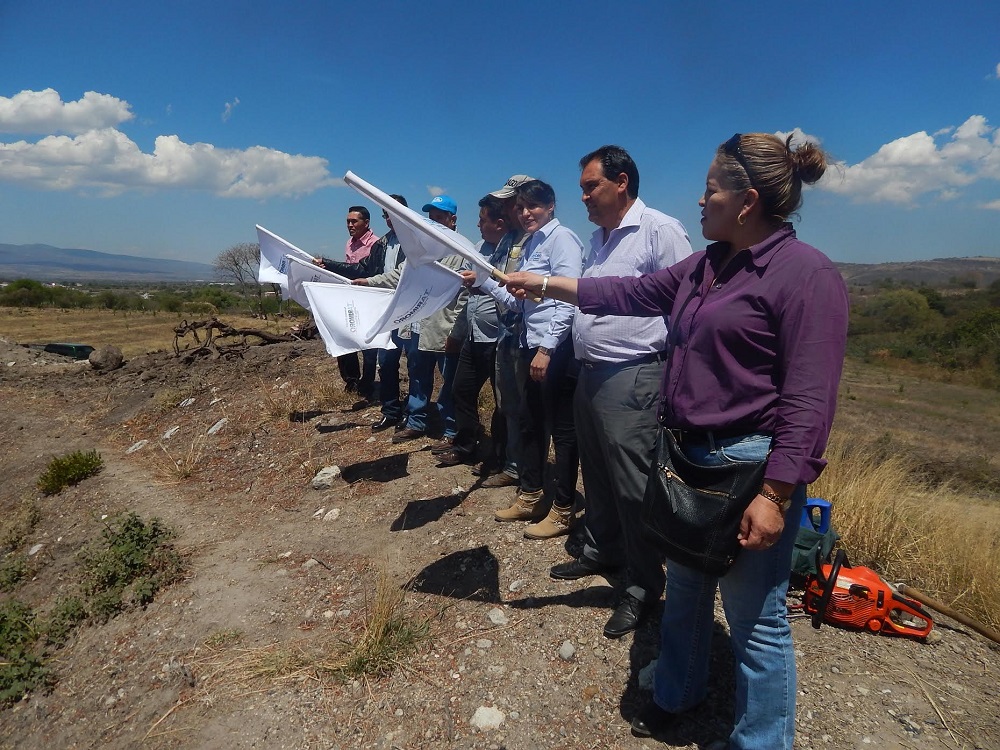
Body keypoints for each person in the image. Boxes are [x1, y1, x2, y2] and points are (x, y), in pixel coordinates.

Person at [502, 133, 849, 749]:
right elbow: (631, 293)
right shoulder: (709, 265)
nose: (700, 199)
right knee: (686, 587)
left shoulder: (807, 275)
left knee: (757, 619)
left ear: (747, 201)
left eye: (711, 189)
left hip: (749, 469)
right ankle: (677, 694)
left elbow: (808, 400)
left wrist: (775, 493)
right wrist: (545, 284)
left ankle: (761, 740)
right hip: (688, 456)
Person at [548, 145, 693, 639]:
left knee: (635, 485)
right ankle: (602, 550)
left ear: (622, 182)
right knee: (599, 473)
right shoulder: (597, 239)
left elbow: (684, 307)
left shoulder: (660, 231)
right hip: (591, 373)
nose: (584, 197)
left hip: (633, 376)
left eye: (591, 186)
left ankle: (642, 585)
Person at [477, 179, 583, 539]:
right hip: (529, 342)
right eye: (520, 208)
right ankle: (532, 494)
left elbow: (569, 298)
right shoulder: (532, 243)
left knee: (563, 432)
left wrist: (547, 349)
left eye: (532, 207)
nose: (525, 214)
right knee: (529, 423)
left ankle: (564, 509)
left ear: (550, 205)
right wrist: (485, 281)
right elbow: (521, 302)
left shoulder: (562, 239)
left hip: (553, 350)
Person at [357, 195, 467, 444]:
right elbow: (399, 275)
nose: (435, 222)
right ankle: (417, 420)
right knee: (417, 374)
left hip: (443, 327)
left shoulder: (462, 250)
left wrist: (456, 331)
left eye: (440, 217)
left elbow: (466, 296)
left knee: (449, 379)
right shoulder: (422, 249)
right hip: (418, 324)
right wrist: (369, 281)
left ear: (452, 219)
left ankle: (451, 429)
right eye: (431, 218)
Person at [317, 196, 409, 431]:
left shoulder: (415, 242)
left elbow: (398, 275)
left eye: (394, 213)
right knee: (386, 363)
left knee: (417, 365)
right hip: (384, 309)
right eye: (386, 214)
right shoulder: (383, 244)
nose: (390, 219)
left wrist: (369, 282)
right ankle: (390, 411)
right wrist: (327, 265)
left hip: (410, 310)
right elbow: (362, 268)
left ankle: (416, 414)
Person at [435, 194, 510, 467]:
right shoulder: (476, 248)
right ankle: (466, 444)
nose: (478, 225)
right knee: (461, 390)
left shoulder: (512, 251)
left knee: (502, 403)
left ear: (499, 223)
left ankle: (499, 457)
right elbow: (465, 287)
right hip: (474, 334)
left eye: (482, 220)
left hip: (499, 338)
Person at [474, 174, 534, 488]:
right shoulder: (510, 239)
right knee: (508, 405)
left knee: (527, 409)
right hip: (505, 334)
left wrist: (482, 282)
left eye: (511, 202)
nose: (508, 208)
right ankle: (513, 466)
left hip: (528, 337)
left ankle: (529, 472)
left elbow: (519, 294)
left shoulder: (539, 240)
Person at [315, 206, 381, 400]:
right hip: (351, 298)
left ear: (366, 223)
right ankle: (352, 379)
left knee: (369, 344)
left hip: (369, 300)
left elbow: (360, 270)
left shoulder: (375, 245)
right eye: (348, 222)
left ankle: (367, 382)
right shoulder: (349, 244)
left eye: (354, 221)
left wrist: (329, 264)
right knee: (344, 337)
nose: (350, 225)